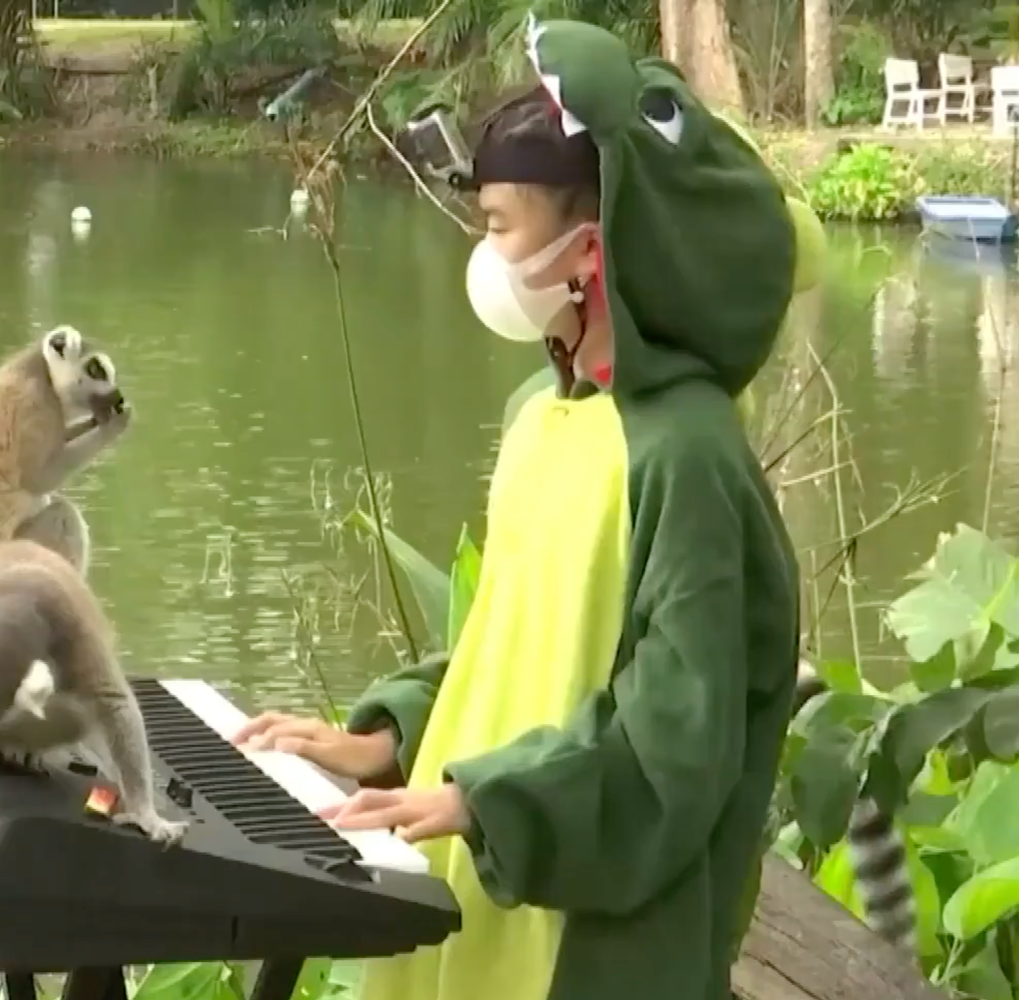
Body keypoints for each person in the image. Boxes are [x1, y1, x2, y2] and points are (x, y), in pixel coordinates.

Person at [233, 18, 819, 1000]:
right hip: (473, 900)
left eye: (500, 224)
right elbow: (514, 652)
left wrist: (489, 804)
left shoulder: (686, 457)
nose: (484, 251)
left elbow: (673, 749)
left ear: (588, 252)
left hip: (591, 954)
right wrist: (390, 736)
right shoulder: (541, 418)